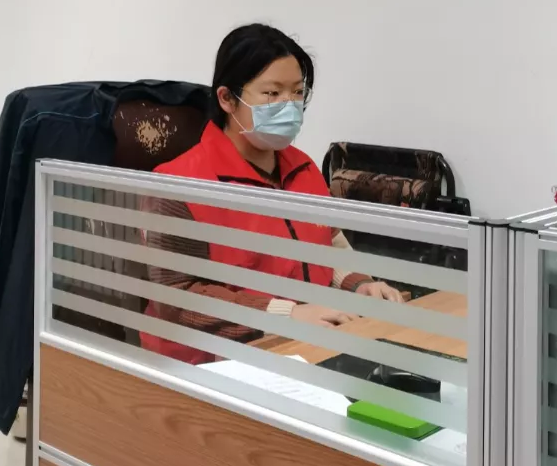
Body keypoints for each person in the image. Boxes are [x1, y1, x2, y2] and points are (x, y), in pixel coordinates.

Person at [140, 23, 403, 363]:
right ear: (226, 99)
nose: (288, 105)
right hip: (207, 366)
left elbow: (327, 245)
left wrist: (360, 285)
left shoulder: (303, 168)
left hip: (298, 349)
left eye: (297, 92)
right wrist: (286, 316)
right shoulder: (180, 186)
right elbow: (177, 298)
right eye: (271, 93)